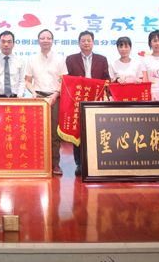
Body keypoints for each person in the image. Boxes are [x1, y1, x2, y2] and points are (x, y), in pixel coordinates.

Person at [65, 30, 111, 176]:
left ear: (93, 43)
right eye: (83, 40)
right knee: (78, 132)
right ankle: (79, 164)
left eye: (88, 40)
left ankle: (95, 162)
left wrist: (108, 95)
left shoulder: (102, 59)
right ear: (79, 43)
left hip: (96, 101)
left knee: (96, 131)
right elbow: (68, 80)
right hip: (78, 101)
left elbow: (106, 79)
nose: (86, 43)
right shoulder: (70, 59)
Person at [25, 29, 67, 175]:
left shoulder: (60, 58)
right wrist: (33, 92)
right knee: (36, 131)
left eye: (48, 38)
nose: (45, 40)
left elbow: (64, 81)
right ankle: (38, 160)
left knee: (54, 132)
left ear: (52, 41)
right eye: (42, 38)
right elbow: (28, 81)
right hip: (38, 98)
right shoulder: (32, 59)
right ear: (38, 41)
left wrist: (56, 94)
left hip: (55, 97)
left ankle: (55, 162)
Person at [0, 30, 26, 99]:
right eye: (3, 42)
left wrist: (20, 94)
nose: (6, 44)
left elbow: (22, 80)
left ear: (13, 44)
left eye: (9, 42)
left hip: (15, 98)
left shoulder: (20, 61)